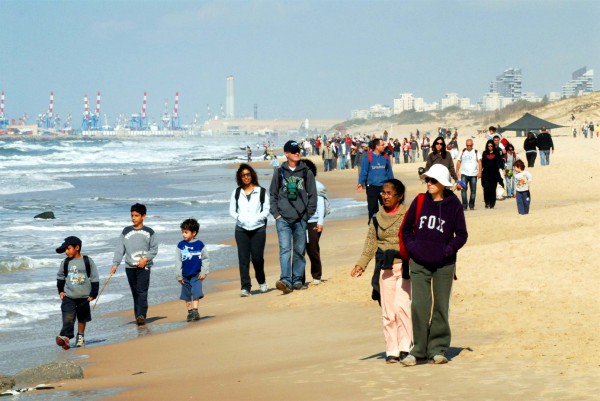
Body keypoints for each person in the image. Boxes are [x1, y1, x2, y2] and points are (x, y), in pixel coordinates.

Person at [400, 164, 467, 366]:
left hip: (444, 265)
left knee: (440, 306)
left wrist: (447, 250)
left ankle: (437, 349)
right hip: (419, 262)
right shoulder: (420, 201)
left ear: (442, 184)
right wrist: (413, 248)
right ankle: (418, 349)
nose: (428, 183)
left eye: (433, 181)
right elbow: (406, 230)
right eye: (427, 180)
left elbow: (462, 235)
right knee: (419, 306)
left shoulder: (454, 204)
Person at [351, 179, 412, 364]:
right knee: (388, 311)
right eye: (383, 193)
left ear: (399, 196)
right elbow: (370, 243)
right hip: (385, 268)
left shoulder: (408, 215)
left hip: (405, 266)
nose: (385, 196)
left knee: (403, 308)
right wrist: (361, 264)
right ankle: (391, 350)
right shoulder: (377, 218)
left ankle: (405, 348)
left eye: (389, 193)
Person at [269, 140, 317, 293]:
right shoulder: (280, 172)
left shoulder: (306, 172)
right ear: (286, 154)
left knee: (299, 250)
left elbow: (313, 195)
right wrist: (276, 214)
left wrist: (306, 215)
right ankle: (285, 279)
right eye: (294, 151)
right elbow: (273, 194)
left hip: (300, 219)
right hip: (282, 219)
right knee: (284, 249)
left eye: (298, 151)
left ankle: (297, 279)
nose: (297, 153)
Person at [111, 203, 159, 326]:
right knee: (135, 292)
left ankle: (141, 315)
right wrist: (115, 263)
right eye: (132, 215)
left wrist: (145, 259)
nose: (133, 218)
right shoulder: (126, 231)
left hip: (144, 266)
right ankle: (138, 314)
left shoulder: (149, 232)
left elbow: (154, 249)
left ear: (144, 216)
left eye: (136, 215)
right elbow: (120, 249)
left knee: (142, 291)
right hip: (129, 267)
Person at [229, 163, 270, 297]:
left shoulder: (261, 191)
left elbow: (266, 210)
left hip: (258, 229)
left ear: (252, 175)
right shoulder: (236, 193)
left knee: (257, 258)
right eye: (243, 175)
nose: (246, 177)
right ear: (240, 178)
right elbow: (232, 211)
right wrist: (239, 218)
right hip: (241, 229)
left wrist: (258, 219)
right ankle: (245, 287)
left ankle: (262, 281)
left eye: (248, 174)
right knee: (243, 259)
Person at [55, 236, 99, 350]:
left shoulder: (87, 261)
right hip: (69, 296)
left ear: (77, 248)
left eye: (68, 249)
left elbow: (94, 277)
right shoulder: (65, 262)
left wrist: (94, 293)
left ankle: (80, 336)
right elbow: (60, 277)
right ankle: (65, 337)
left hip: (84, 296)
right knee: (68, 316)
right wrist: (60, 291)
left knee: (82, 318)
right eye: (65, 249)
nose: (66, 251)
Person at [176, 218, 209, 321]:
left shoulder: (200, 244)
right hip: (184, 275)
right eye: (183, 232)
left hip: (196, 275)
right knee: (186, 295)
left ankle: (195, 311)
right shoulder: (181, 245)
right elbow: (178, 261)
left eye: (186, 232)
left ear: (193, 233)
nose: (183, 234)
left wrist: (204, 272)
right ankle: (190, 312)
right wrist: (178, 275)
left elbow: (205, 259)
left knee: (196, 292)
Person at [302, 159, 327, 285]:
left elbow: (321, 205)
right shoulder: (298, 185)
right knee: (300, 250)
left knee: (313, 249)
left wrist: (320, 223)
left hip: (314, 221)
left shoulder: (317, 186)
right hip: (300, 222)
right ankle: (299, 278)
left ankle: (317, 275)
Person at [358, 138, 394, 224]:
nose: (384, 146)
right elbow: (364, 171)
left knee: (387, 205)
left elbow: (389, 171)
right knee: (372, 208)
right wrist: (360, 183)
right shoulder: (368, 157)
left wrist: (393, 183)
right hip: (371, 187)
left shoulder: (385, 157)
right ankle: (373, 225)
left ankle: (387, 224)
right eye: (382, 145)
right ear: (377, 146)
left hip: (384, 187)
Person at [455, 139, 482, 210]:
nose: (469, 147)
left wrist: (480, 172)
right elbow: (459, 162)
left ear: (472, 145)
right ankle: (464, 205)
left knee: (473, 191)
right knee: (463, 190)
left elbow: (479, 162)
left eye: (470, 145)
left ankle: (471, 205)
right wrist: (457, 171)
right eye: (467, 145)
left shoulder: (476, 152)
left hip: (473, 174)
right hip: (464, 174)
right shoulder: (463, 152)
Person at [481, 139, 504, 209]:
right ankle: (487, 202)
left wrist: (503, 169)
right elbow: (483, 163)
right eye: (488, 146)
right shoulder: (484, 153)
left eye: (491, 146)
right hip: (486, 174)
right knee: (486, 188)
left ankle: (492, 203)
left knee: (493, 189)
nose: (490, 147)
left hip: (494, 174)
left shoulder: (497, 153)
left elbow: (500, 162)